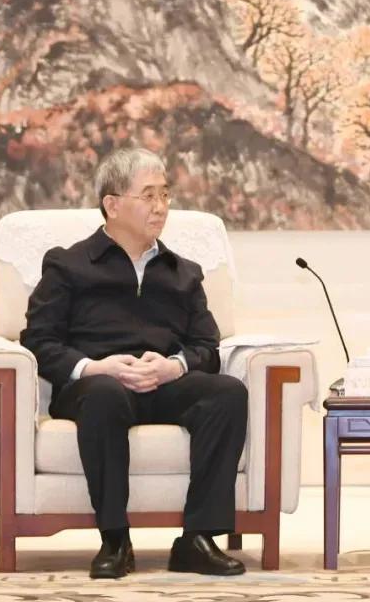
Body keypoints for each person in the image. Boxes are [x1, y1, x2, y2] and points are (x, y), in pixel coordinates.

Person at [21, 148, 249, 579]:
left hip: (164, 385)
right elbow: (39, 340)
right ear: (112, 204)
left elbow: (207, 346)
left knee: (227, 393)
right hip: (96, 387)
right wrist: (94, 367)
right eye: (148, 195)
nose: (160, 206)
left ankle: (198, 539)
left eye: (165, 195)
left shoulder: (183, 272)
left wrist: (174, 367)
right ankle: (115, 539)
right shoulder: (68, 265)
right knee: (105, 395)